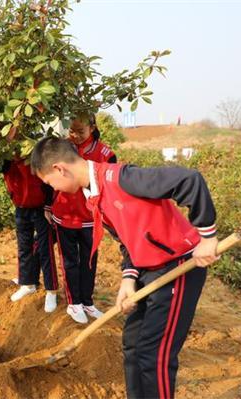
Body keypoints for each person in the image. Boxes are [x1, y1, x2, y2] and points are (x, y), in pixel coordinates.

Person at [31, 137, 218, 399]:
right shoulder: (93, 196)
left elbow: (189, 180)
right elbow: (126, 239)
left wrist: (207, 236)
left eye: (50, 183)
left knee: (154, 356)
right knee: (132, 344)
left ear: (60, 169)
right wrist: (128, 279)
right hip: (147, 270)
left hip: (180, 266)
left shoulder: (122, 179)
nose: (55, 190)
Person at [51, 115, 116, 324]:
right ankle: (74, 303)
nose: (76, 136)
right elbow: (49, 178)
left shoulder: (105, 153)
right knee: (69, 261)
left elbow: (111, 185)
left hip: (91, 218)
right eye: (72, 131)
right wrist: (47, 205)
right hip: (65, 215)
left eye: (81, 131)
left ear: (92, 128)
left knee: (89, 261)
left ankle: (87, 302)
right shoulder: (61, 149)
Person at [2, 156, 59, 313]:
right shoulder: (4, 154)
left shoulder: (34, 151)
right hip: (21, 207)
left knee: (45, 250)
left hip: (40, 208)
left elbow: (48, 181)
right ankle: (28, 284)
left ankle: (51, 290)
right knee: (24, 247)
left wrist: (48, 206)